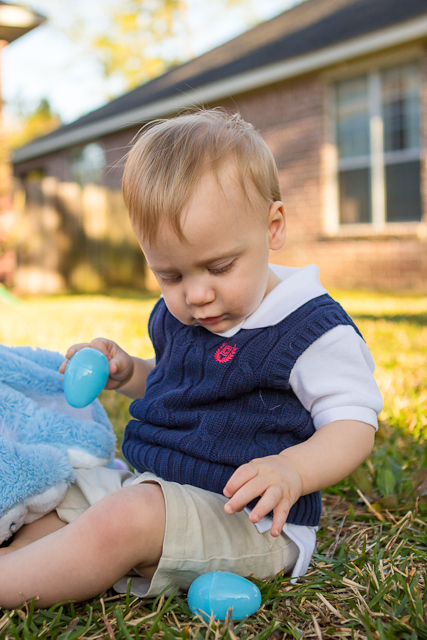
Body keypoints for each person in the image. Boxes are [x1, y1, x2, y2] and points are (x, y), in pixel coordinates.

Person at [0, 109, 382, 609]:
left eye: (219, 267)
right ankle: (25, 572)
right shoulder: (183, 316)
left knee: (127, 518)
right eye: (171, 276)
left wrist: (293, 469)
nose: (196, 295)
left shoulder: (311, 329)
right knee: (56, 500)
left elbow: (354, 423)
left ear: (273, 227)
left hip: (249, 521)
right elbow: (175, 383)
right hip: (154, 487)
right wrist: (130, 372)